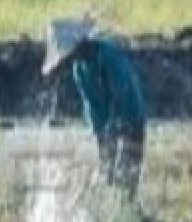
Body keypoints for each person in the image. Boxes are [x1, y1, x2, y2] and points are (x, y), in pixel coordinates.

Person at [41, 16, 147, 202]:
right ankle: (114, 208)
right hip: (110, 124)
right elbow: (95, 111)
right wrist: (104, 152)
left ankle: (128, 208)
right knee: (109, 175)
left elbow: (120, 93)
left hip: (131, 116)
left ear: (78, 46)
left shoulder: (108, 55)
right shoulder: (80, 70)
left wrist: (116, 131)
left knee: (128, 171)